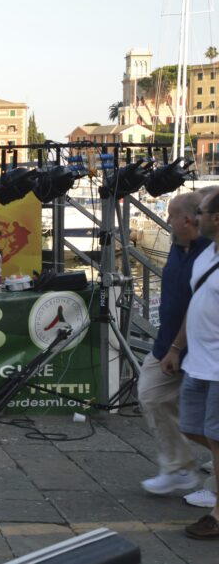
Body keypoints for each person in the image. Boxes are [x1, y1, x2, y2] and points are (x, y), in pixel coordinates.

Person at [140, 192, 210, 499]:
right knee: (151, 395)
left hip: (200, 347)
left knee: (209, 418)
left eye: (170, 215)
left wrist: (177, 348)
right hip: (168, 343)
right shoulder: (176, 246)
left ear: (187, 219)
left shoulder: (210, 251)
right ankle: (180, 467)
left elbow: (197, 305)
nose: (165, 220)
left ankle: (211, 485)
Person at [162, 189, 219, 539]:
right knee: (193, 427)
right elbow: (195, 305)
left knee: (216, 438)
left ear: (217, 218)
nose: (194, 218)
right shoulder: (206, 256)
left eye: (201, 212)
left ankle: (217, 513)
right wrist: (176, 348)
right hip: (199, 362)